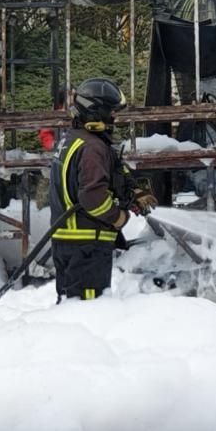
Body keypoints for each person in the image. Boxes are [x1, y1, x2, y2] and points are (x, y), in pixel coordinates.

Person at [48, 78, 156, 301]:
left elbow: (107, 174)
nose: (114, 118)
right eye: (111, 112)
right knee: (86, 310)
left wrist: (133, 192)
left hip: (68, 243)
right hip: (87, 247)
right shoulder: (93, 148)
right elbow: (92, 197)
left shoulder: (74, 140)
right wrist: (118, 217)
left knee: (70, 305)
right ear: (97, 112)